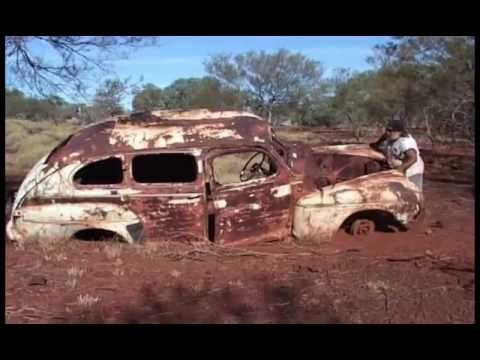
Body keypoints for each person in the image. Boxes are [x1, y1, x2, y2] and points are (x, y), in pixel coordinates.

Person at [370, 118, 424, 191]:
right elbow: (384, 136)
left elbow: (413, 158)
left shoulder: (405, 142)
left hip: (412, 170)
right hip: (399, 165)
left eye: (390, 131)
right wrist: (376, 144)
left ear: (400, 132)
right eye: (387, 130)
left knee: (412, 191)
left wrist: (399, 170)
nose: (387, 132)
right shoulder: (391, 135)